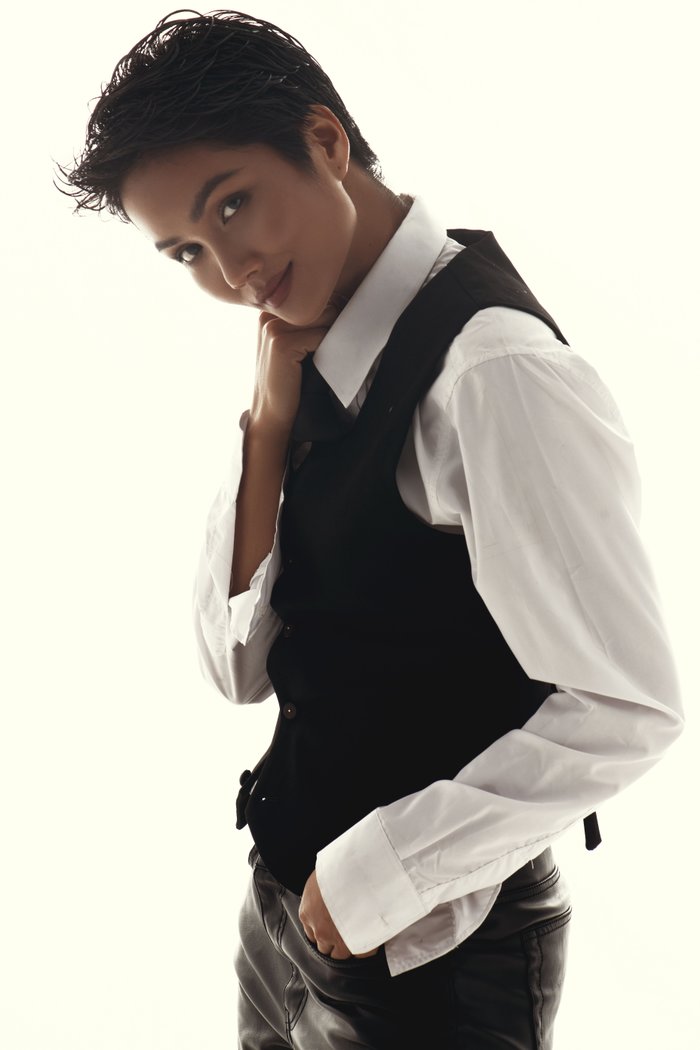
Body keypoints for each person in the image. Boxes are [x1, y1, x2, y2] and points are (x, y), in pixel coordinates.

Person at [58, 10, 684, 1049]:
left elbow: (628, 704)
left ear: (326, 141)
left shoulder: (493, 372)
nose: (229, 270)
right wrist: (266, 430)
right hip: (279, 924)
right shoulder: (309, 344)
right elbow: (237, 670)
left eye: (233, 205)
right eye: (186, 252)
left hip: (427, 958)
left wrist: (371, 880)